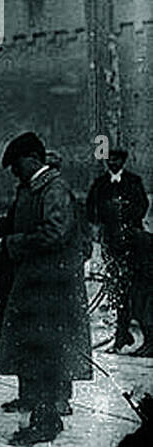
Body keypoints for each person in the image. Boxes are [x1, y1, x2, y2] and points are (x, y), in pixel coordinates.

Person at [0, 131, 91, 445]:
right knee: (35, 355)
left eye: (17, 165)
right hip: (36, 285)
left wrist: (12, 243)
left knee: (46, 356)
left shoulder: (54, 189)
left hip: (52, 289)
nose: (15, 172)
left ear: (30, 159)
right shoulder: (34, 189)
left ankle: (45, 423)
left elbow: (54, 233)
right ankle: (43, 416)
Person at [86, 148, 149, 353]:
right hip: (111, 244)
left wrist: (126, 216)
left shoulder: (133, 181)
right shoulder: (100, 184)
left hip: (133, 245)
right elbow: (90, 210)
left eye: (116, 159)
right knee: (116, 290)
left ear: (123, 161)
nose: (112, 162)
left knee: (135, 288)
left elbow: (142, 206)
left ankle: (131, 332)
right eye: (109, 159)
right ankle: (121, 335)